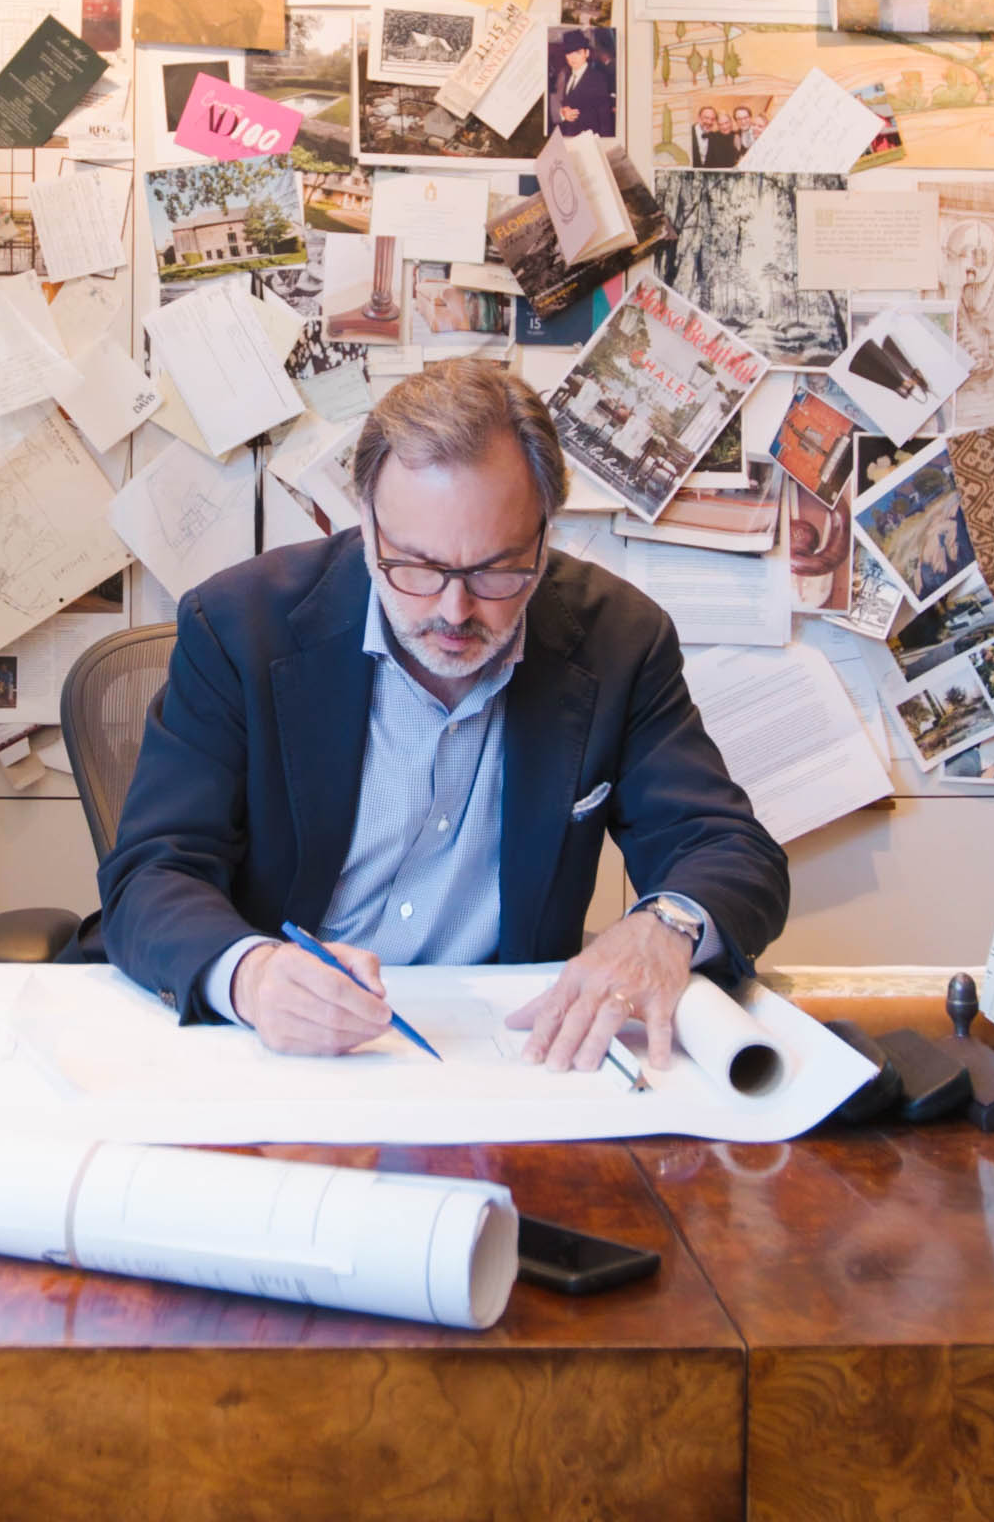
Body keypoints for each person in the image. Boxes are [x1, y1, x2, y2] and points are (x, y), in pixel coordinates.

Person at [97, 363, 790, 1068]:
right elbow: (151, 874)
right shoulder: (241, 626)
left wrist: (665, 927)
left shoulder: (620, 641)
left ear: (545, 535)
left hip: (503, 1052)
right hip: (276, 1049)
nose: (454, 613)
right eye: (417, 567)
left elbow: (731, 851)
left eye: (497, 570)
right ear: (365, 524)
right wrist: (252, 976)